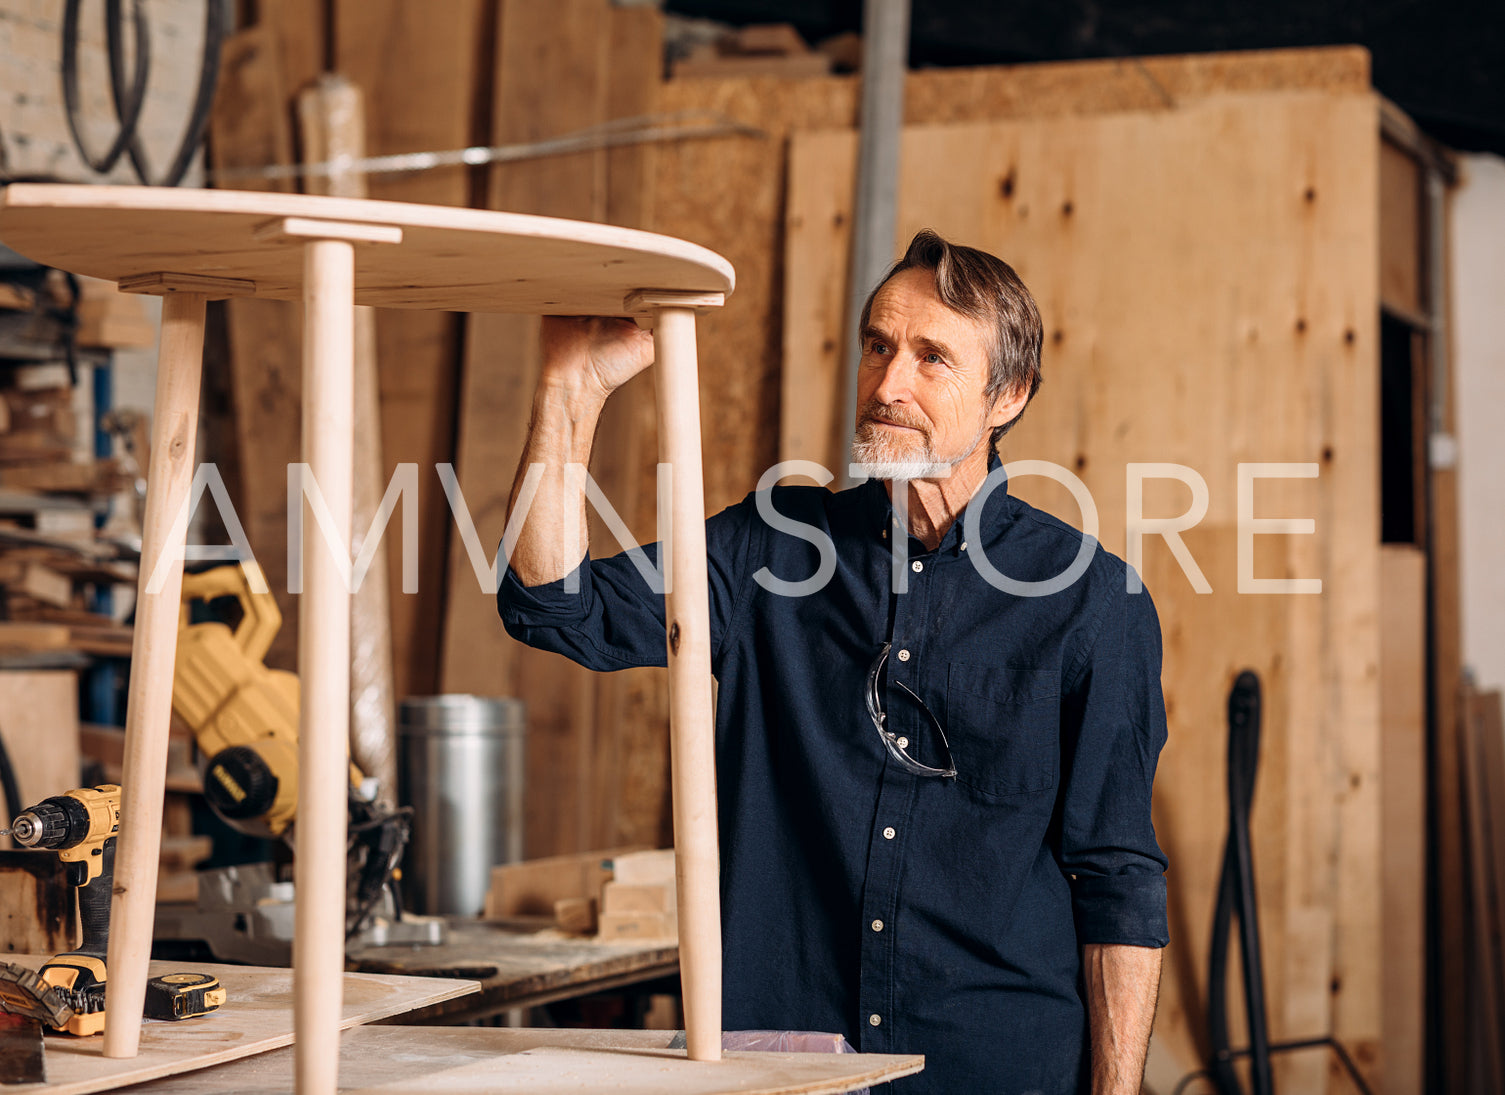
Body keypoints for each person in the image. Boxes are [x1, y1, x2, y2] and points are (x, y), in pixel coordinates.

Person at [498, 229, 1169, 1094]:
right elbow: (554, 606)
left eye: (932, 359)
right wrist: (570, 387)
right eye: (877, 346)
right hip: (781, 1069)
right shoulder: (767, 548)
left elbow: (1116, 879)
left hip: (993, 1068)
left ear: (1008, 394)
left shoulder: (1091, 603)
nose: (888, 385)